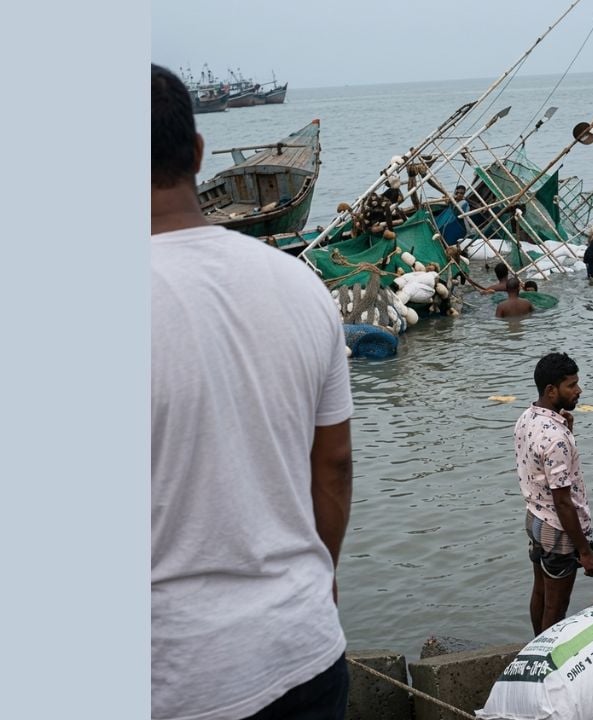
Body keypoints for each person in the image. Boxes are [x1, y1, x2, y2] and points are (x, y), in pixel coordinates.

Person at [151, 65, 354, 720]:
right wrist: (322, 576)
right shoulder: (302, 286)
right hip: (304, 652)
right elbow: (334, 466)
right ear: (199, 153)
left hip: (174, 679)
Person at [515, 353, 593, 634]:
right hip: (558, 527)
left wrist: (568, 432)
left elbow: (541, 466)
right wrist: (585, 552)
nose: (579, 391)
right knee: (556, 605)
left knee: (540, 591)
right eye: (572, 385)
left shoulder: (527, 418)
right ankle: (547, 655)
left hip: (535, 518)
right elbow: (563, 502)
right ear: (551, 390)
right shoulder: (555, 437)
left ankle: (535, 643)